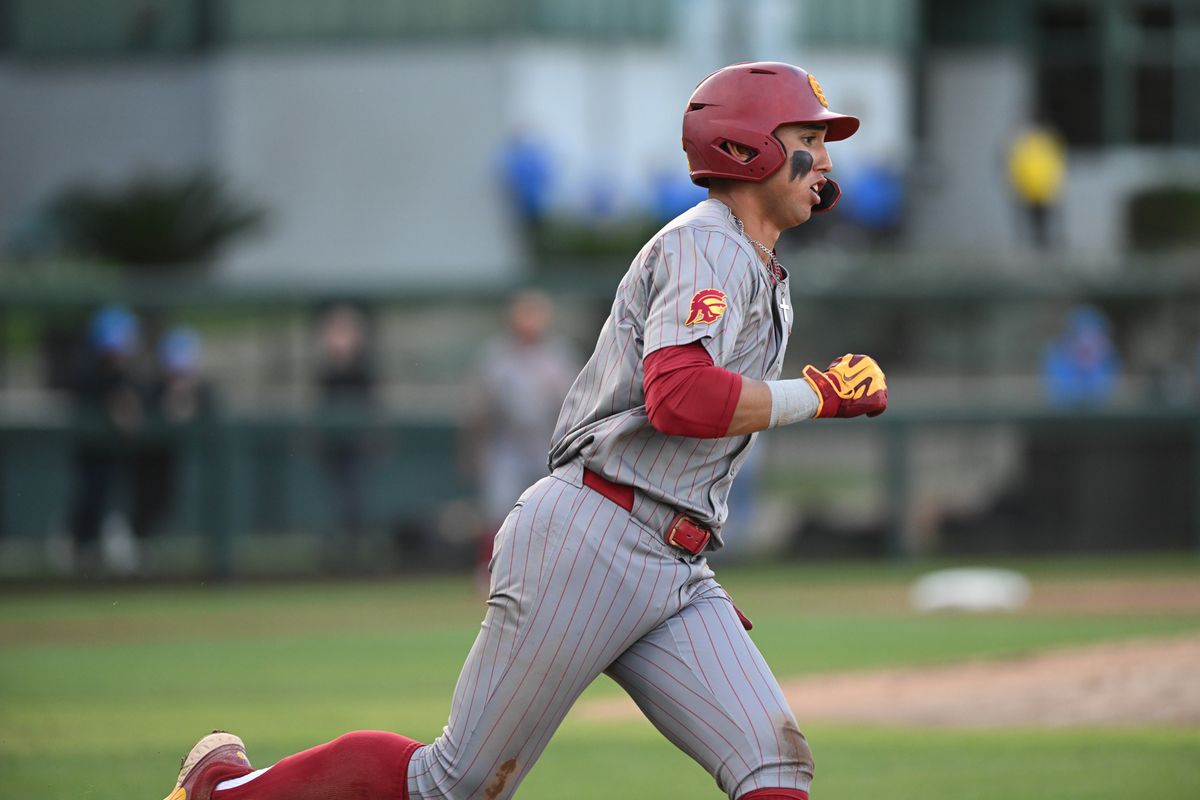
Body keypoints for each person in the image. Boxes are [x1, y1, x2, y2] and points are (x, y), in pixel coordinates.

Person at [162, 62, 889, 800]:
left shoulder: (756, 265)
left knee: (775, 765)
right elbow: (680, 398)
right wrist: (819, 396)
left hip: (670, 558)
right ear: (746, 147)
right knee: (453, 785)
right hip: (594, 537)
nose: (825, 159)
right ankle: (224, 790)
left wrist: (683, 538)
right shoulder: (707, 245)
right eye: (808, 136)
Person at [461, 290, 579, 579]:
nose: (529, 322)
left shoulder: (558, 355)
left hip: (547, 441)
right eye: (524, 315)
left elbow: (576, 404)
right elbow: (478, 409)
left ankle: (554, 573)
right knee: (498, 508)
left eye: (535, 315)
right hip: (507, 441)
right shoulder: (498, 354)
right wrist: (472, 449)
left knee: (554, 509)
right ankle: (489, 571)